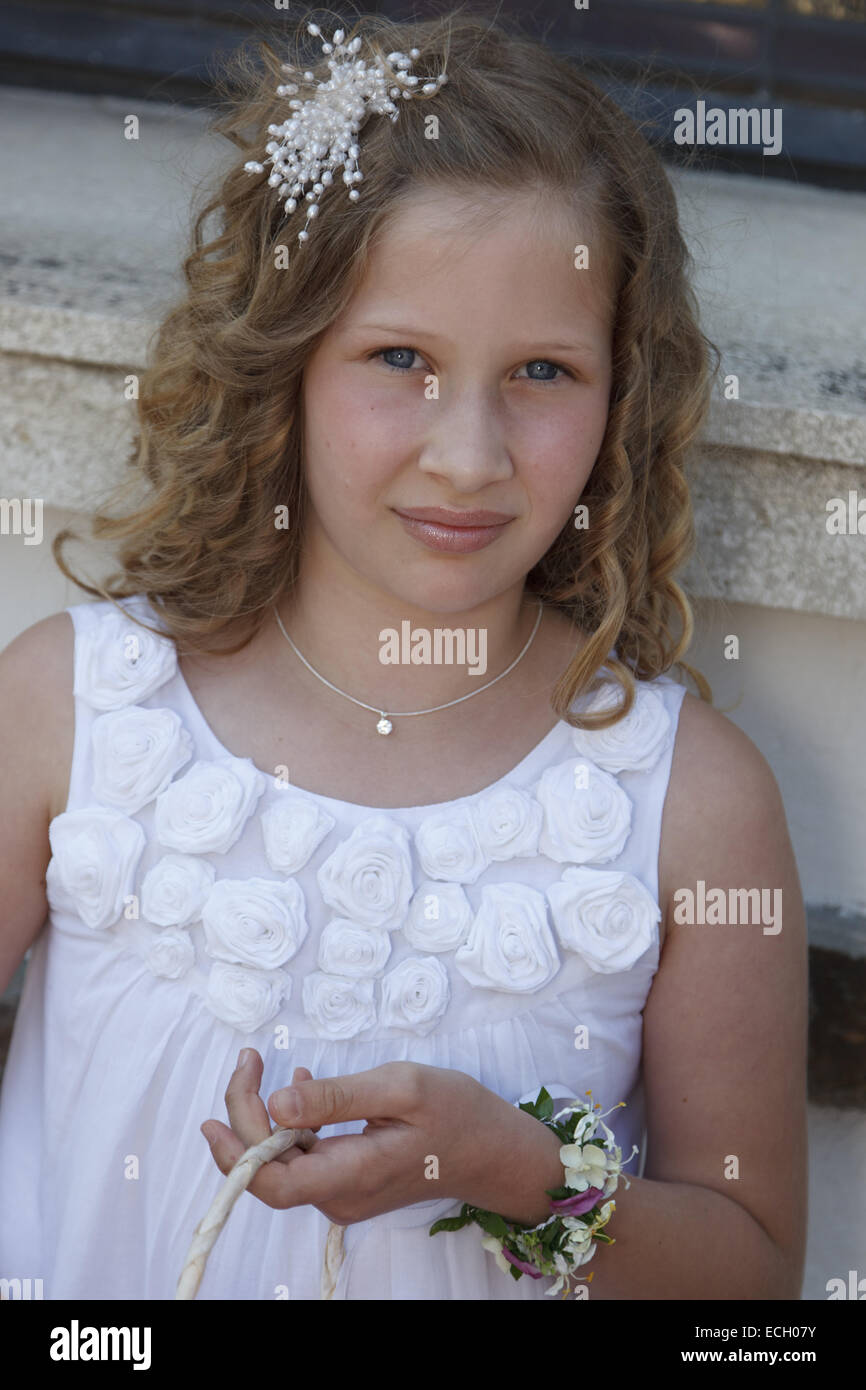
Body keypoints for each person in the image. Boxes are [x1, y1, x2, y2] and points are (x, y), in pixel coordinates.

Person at [0, 10, 807, 1300]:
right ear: (284, 366)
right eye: (399, 359)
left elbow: (755, 1280)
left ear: (623, 395)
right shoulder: (73, 710)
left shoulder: (692, 806)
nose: (471, 454)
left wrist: (514, 1173)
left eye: (543, 370)